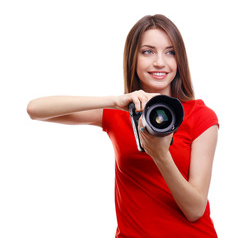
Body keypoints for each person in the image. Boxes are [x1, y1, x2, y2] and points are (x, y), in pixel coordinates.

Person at [27, 14, 219, 237]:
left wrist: (160, 155)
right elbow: (35, 109)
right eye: (148, 51)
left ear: (180, 60)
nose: (160, 62)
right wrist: (114, 101)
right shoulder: (119, 112)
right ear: (133, 58)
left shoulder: (201, 117)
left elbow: (195, 210)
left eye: (170, 52)